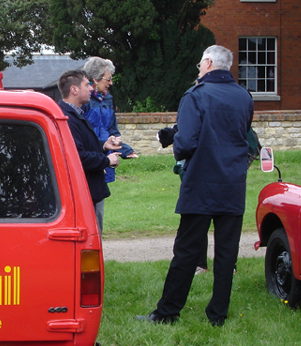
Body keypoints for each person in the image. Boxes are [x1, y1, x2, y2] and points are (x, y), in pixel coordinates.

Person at [136, 45, 254, 327]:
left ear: (209, 63)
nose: (198, 69)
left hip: (201, 182)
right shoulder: (244, 97)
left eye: (200, 63)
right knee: (227, 253)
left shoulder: (195, 96)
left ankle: (167, 312)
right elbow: (244, 134)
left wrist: (174, 141)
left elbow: (186, 143)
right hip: (233, 184)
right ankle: (218, 315)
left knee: (187, 251)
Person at [57, 70, 121, 234]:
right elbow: (78, 157)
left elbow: (83, 146)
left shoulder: (76, 113)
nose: (91, 89)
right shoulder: (67, 118)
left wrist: (104, 146)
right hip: (84, 194)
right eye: (87, 85)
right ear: (74, 89)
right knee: (90, 240)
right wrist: (107, 160)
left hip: (91, 191)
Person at [82, 57, 138, 164]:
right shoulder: (83, 100)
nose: (111, 83)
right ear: (96, 79)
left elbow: (112, 130)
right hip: (89, 156)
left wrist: (125, 150)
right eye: (108, 79)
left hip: (107, 156)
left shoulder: (108, 99)